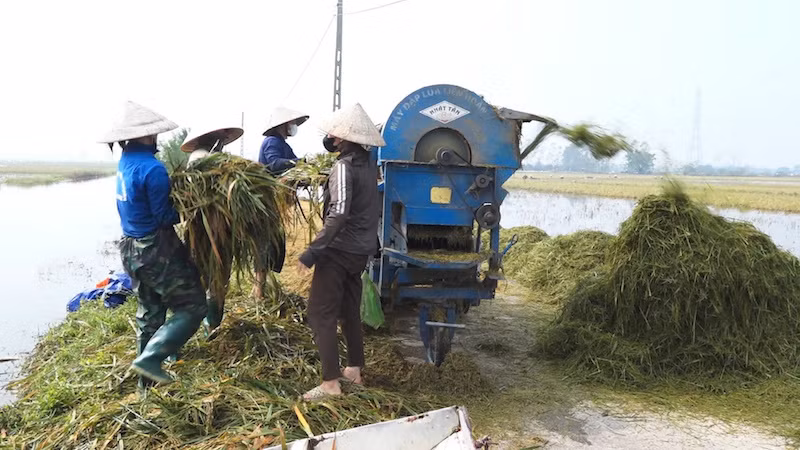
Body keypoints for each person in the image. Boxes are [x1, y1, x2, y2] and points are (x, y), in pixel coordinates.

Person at [99, 101, 207, 386]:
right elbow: (164, 216)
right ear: (146, 136)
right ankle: (150, 359)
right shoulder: (153, 168)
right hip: (156, 248)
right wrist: (192, 207)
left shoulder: (125, 162)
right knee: (194, 306)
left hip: (131, 248)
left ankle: (145, 383)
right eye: (153, 134)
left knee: (150, 312)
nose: (157, 139)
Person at [296, 103, 385, 401]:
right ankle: (354, 369)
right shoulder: (370, 166)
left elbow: (339, 213)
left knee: (320, 314)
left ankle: (330, 383)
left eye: (334, 134)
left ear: (343, 139)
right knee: (349, 311)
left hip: (339, 251)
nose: (331, 138)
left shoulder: (343, 167)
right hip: (360, 252)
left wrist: (312, 252)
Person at [180, 126, 244, 337]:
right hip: (206, 228)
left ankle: (211, 323)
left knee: (218, 276)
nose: (225, 139)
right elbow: (208, 192)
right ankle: (203, 323)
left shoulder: (214, 156)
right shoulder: (200, 157)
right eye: (222, 135)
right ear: (211, 136)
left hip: (218, 227)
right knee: (208, 275)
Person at [253, 106, 309, 298]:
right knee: (266, 245)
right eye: (292, 123)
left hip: (275, 204)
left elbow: (292, 163)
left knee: (275, 245)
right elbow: (274, 164)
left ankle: (263, 288)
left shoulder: (282, 144)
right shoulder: (272, 142)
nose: (293, 126)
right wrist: (299, 163)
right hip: (266, 202)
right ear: (284, 124)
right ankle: (258, 291)